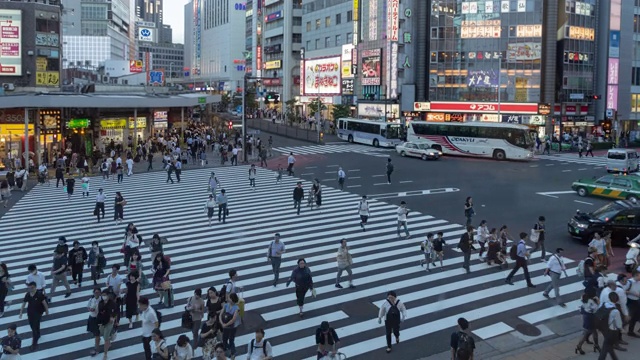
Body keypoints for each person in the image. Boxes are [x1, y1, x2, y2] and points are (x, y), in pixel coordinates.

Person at [18, 282, 49, 351]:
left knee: (34, 328)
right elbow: (24, 303)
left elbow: (44, 303)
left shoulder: (39, 294)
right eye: (29, 288)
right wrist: (21, 312)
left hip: (38, 313)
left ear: (35, 287)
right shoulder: (28, 294)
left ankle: (34, 344)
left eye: (32, 288)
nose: (31, 289)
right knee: (33, 326)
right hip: (30, 313)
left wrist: (47, 311)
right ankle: (38, 334)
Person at [599, 292, 623, 360]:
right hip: (612, 330)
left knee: (608, 346)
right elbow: (619, 324)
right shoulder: (615, 311)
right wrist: (621, 329)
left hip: (604, 328)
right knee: (606, 347)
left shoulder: (604, 304)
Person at [219, 293, 241, 359]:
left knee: (231, 340)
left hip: (232, 327)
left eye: (229, 297)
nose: (227, 298)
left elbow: (233, 319)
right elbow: (220, 315)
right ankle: (229, 351)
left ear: (232, 299)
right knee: (224, 339)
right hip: (226, 325)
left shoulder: (236, 308)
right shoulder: (226, 305)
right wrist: (222, 323)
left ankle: (232, 352)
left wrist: (225, 324)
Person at [87, 287, 103, 356]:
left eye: (97, 292)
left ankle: (97, 349)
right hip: (92, 318)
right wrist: (90, 309)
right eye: (95, 292)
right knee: (96, 334)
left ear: (100, 293)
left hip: (99, 319)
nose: (96, 294)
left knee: (97, 335)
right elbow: (88, 307)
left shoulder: (102, 300)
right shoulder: (91, 300)